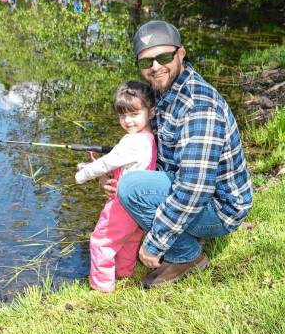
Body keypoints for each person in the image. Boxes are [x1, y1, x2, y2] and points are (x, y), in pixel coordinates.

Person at [100, 20, 253, 289]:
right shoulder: (164, 91)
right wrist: (115, 175)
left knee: (132, 188)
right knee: (129, 185)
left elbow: (195, 187)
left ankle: (187, 256)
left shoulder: (198, 106)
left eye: (164, 57)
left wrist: (155, 241)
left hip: (220, 207)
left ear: (180, 54)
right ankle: (185, 238)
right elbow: (155, 150)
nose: (156, 67)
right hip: (198, 192)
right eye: (147, 62)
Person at [75, 81, 157, 292]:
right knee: (130, 240)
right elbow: (123, 163)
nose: (127, 121)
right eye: (122, 115)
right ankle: (124, 274)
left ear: (151, 112)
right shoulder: (150, 137)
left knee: (101, 241)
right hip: (140, 205)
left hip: (122, 205)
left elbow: (106, 163)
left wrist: (82, 174)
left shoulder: (132, 141)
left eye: (134, 114)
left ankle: (102, 287)